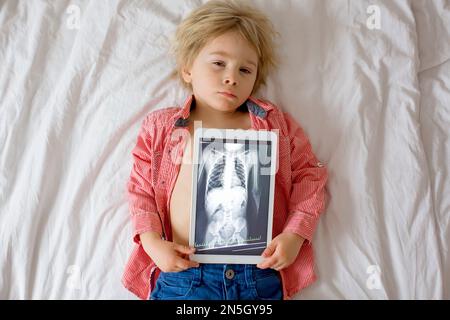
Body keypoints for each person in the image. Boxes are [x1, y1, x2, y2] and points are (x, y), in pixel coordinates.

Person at [122, 0, 328, 300]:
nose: (232, 77)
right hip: (185, 272)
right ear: (188, 68)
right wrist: (153, 243)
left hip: (257, 274)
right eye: (219, 63)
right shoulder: (162, 127)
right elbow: (140, 190)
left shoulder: (274, 125)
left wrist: (295, 235)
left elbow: (310, 177)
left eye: (245, 70)